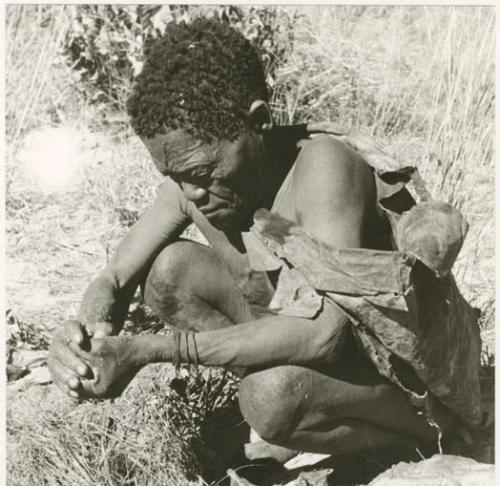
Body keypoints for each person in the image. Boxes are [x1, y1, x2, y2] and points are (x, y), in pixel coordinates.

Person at [48, 18, 482, 459]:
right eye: (174, 177)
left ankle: (417, 439)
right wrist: (85, 337)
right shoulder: (192, 184)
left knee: (270, 397)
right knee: (168, 272)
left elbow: (325, 334)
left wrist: (151, 350)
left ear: (256, 122)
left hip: (391, 377)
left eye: (200, 172)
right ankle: (306, 413)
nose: (191, 192)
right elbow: (116, 278)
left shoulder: (323, 168)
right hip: (301, 350)